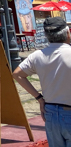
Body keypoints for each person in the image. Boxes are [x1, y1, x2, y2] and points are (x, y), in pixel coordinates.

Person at [13, 16, 71, 147]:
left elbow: (17, 74)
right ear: (68, 32)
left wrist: (39, 98)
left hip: (50, 112)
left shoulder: (37, 55)